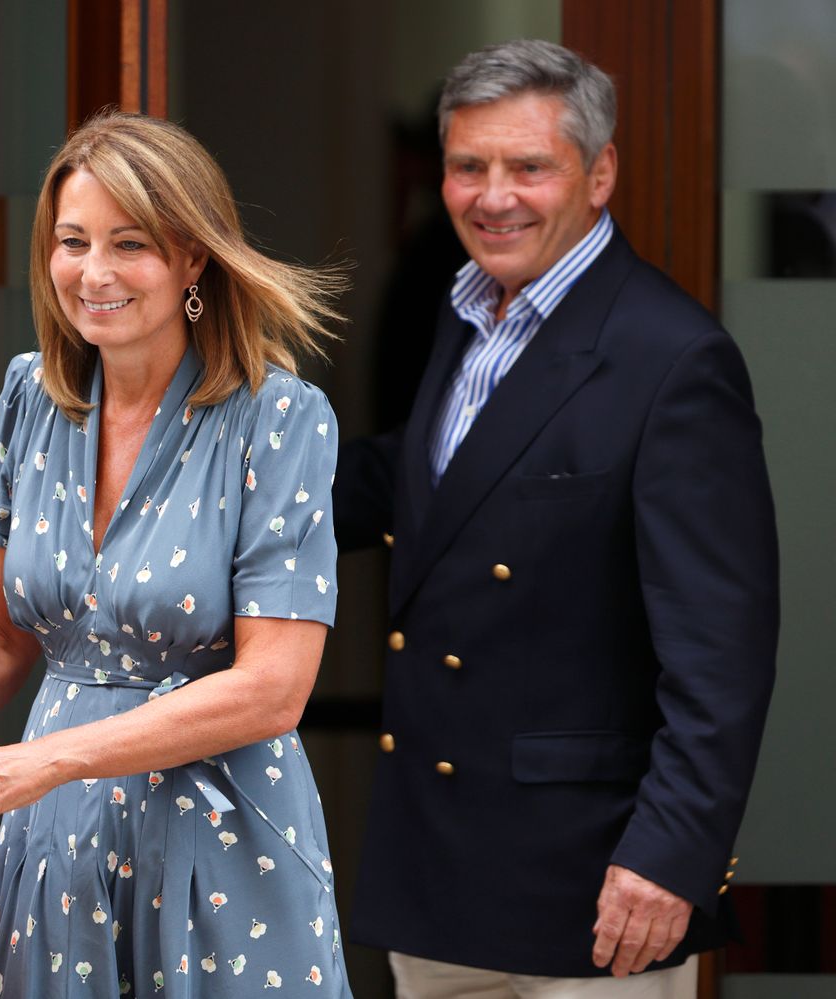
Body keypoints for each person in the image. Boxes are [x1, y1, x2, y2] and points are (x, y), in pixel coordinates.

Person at [334, 40, 778, 998]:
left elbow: (721, 654)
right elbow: (427, 489)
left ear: (600, 171)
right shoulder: (465, 315)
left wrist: (671, 856)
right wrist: (208, 460)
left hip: (595, 892)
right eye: (469, 167)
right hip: (439, 872)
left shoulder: (674, 357)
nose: (494, 196)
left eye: (529, 166)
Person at [0, 111, 354, 998]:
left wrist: (47, 758)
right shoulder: (30, 396)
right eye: (72, 241)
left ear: (192, 259)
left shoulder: (278, 417)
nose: (92, 272)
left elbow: (274, 688)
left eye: (128, 243)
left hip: (219, 849)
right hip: (50, 838)